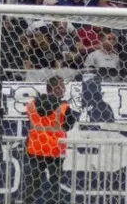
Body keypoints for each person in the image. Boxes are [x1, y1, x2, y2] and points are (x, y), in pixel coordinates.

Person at [25, 75, 77, 204]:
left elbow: (30, 122)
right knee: (55, 185)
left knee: (33, 183)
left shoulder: (31, 104)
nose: (64, 89)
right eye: (63, 86)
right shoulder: (64, 107)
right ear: (56, 88)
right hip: (55, 150)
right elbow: (69, 125)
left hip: (35, 148)